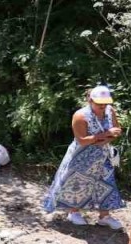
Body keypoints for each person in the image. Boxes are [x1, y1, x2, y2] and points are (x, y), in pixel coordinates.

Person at [43, 85, 124, 228]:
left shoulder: (110, 111)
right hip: (82, 156)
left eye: (105, 103)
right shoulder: (80, 116)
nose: (103, 106)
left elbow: (117, 131)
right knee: (77, 183)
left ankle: (104, 216)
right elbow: (82, 140)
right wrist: (105, 135)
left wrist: (105, 140)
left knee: (106, 183)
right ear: (90, 100)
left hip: (103, 155)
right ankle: (73, 213)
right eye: (99, 103)